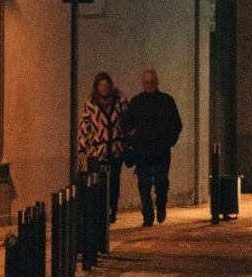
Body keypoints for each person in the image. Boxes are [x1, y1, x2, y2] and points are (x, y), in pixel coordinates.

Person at [124, 68, 182, 227]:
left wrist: (168, 141)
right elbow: (127, 124)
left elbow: (176, 124)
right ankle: (148, 213)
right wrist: (132, 139)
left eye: (151, 82)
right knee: (143, 184)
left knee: (161, 182)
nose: (148, 85)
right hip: (142, 151)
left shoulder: (166, 101)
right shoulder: (136, 102)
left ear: (156, 83)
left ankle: (161, 204)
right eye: (146, 82)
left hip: (161, 151)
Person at [76, 71, 128, 222]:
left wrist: (127, 142)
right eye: (101, 85)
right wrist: (82, 149)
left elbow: (127, 120)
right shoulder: (91, 103)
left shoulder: (120, 99)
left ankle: (112, 208)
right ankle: (100, 211)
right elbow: (85, 127)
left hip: (116, 149)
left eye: (106, 85)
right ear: (96, 87)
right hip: (98, 150)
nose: (104, 88)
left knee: (114, 183)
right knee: (98, 183)